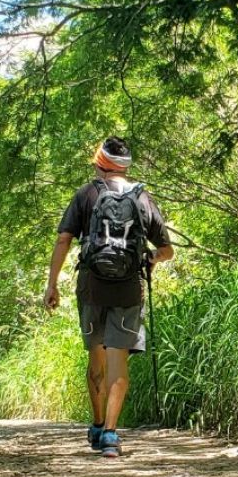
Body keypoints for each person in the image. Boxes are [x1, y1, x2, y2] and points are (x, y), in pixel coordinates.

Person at [44, 137, 174, 458]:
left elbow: (63, 240)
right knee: (119, 364)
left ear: (99, 163)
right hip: (128, 291)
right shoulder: (143, 198)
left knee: (96, 359)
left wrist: (52, 285)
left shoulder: (86, 194)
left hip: (91, 289)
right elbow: (167, 250)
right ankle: (112, 437)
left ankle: (98, 423)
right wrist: (150, 259)